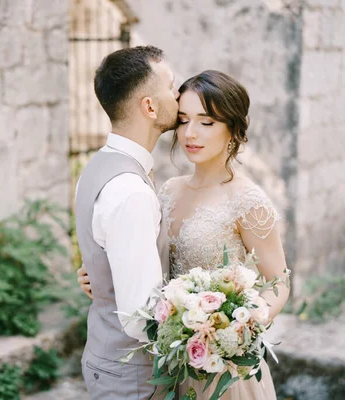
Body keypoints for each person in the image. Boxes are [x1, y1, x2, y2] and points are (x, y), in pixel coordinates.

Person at [78, 70, 290, 399]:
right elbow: (144, 262)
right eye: (183, 120)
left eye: (206, 122)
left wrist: (236, 328)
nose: (190, 133)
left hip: (223, 368)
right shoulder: (167, 190)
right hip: (170, 361)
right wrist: (102, 275)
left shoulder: (248, 202)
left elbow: (279, 283)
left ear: (233, 127)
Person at [74, 45, 179, 400]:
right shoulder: (130, 191)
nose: (178, 96)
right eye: (172, 86)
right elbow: (141, 318)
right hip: (133, 379)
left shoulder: (100, 166)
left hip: (106, 358)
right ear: (149, 106)